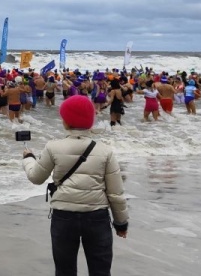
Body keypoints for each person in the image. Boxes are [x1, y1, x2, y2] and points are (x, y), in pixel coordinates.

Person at [22, 95, 129, 276]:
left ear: (66, 121)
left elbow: (36, 177)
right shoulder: (105, 150)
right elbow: (115, 193)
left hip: (64, 217)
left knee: (64, 271)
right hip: (97, 217)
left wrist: (28, 159)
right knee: (101, 271)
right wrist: (121, 223)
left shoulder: (53, 147)